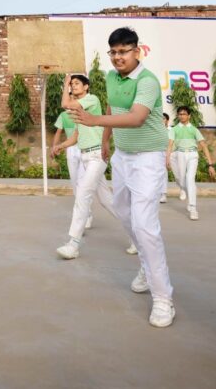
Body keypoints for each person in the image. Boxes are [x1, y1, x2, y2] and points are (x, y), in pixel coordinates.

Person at [70, 27, 175, 328]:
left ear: (137, 51)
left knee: (145, 225)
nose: (118, 57)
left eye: (124, 51)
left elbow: (137, 117)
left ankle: (163, 298)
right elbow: (113, 111)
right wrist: (106, 138)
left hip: (148, 159)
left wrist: (94, 121)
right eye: (113, 52)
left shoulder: (147, 81)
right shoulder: (111, 78)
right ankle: (146, 265)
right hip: (122, 157)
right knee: (126, 217)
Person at [55, 74, 110, 259]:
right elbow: (76, 136)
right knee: (107, 201)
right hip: (87, 156)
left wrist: (65, 85)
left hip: (97, 156)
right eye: (71, 84)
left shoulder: (91, 99)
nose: (73, 87)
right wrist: (59, 146)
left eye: (76, 84)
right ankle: (137, 234)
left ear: (86, 86)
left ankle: (73, 244)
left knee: (82, 194)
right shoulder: (80, 113)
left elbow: (66, 104)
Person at [165, 105, 216, 220]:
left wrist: (210, 164)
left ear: (189, 116)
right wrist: (167, 159)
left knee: (190, 180)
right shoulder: (174, 129)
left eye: (184, 114)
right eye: (180, 114)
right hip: (179, 155)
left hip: (193, 155)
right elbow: (170, 145)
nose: (182, 116)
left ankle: (193, 208)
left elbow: (204, 146)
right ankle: (186, 192)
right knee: (181, 180)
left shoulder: (194, 129)